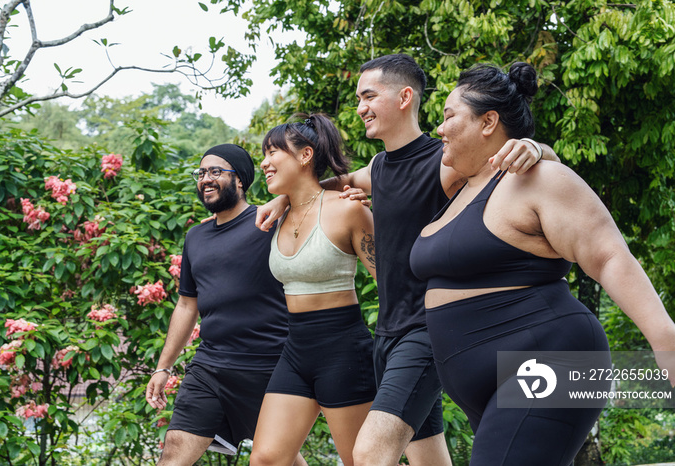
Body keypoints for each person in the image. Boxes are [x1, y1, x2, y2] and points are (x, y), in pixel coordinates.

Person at [256, 54, 558, 466]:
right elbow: (333, 183)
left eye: (368, 96)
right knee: (428, 459)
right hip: (389, 334)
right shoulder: (379, 167)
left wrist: (536, 148)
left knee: (370, 454)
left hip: (428, 331)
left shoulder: (446, 161)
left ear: (404, 97)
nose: (360, 107)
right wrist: (281, 197)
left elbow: (510, 161)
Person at [409, 61, 675, 465]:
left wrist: (667, 342)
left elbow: (608, 255)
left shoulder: (539, 179)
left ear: (488, 122)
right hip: (486, 383)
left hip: (551, 356)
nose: (439, 129)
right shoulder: (458, 192)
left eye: (449, 116)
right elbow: (382, 172)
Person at [145, 144, 306, 466]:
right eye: (201, 173)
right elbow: (186, 306)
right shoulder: (196, 237)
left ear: (241, 180)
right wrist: (164, 367)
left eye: (217, 171)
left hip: (269, 367)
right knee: (175, 447)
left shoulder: (271, 220)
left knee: (278, 460)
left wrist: (286, 199)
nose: (206, 178)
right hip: (210, 367)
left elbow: (316, 199)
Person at [249, 114, 377, 466]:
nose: (264, 162)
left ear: (305, 156)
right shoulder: (279, 215)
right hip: (296, 349)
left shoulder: (348, 210)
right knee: (266, 459)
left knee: (362, 461)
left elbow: (390, 284)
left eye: (273, 152)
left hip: (344, 350)